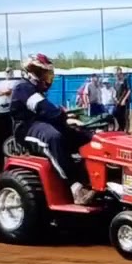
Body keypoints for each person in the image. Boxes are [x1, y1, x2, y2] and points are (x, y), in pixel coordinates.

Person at [10, 54, 97, 205]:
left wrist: (72, 122)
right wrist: (63, 118)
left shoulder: (36, 90)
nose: (46, 77)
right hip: (26, 128)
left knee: (86, 137)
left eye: (47, 73)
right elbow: (43, 108)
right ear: (31, 73)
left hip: (43, 123)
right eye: (42, 73)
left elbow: (50, 112)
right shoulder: (23, 88)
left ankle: (92, 178)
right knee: (52, 137)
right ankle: (75, 187)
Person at [112, 67, 132, 132]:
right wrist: (115, 99)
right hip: (118, 101)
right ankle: (121, 128)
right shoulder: (115, 82)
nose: (115, 74)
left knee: (125, 116)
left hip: (125, 101)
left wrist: (124, 100)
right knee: (117, 115)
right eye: (114, 73)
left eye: (116, 73)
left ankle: (126, 130)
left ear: (119, 72)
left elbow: (129, 90)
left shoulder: (125, 80)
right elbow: (114, 91)